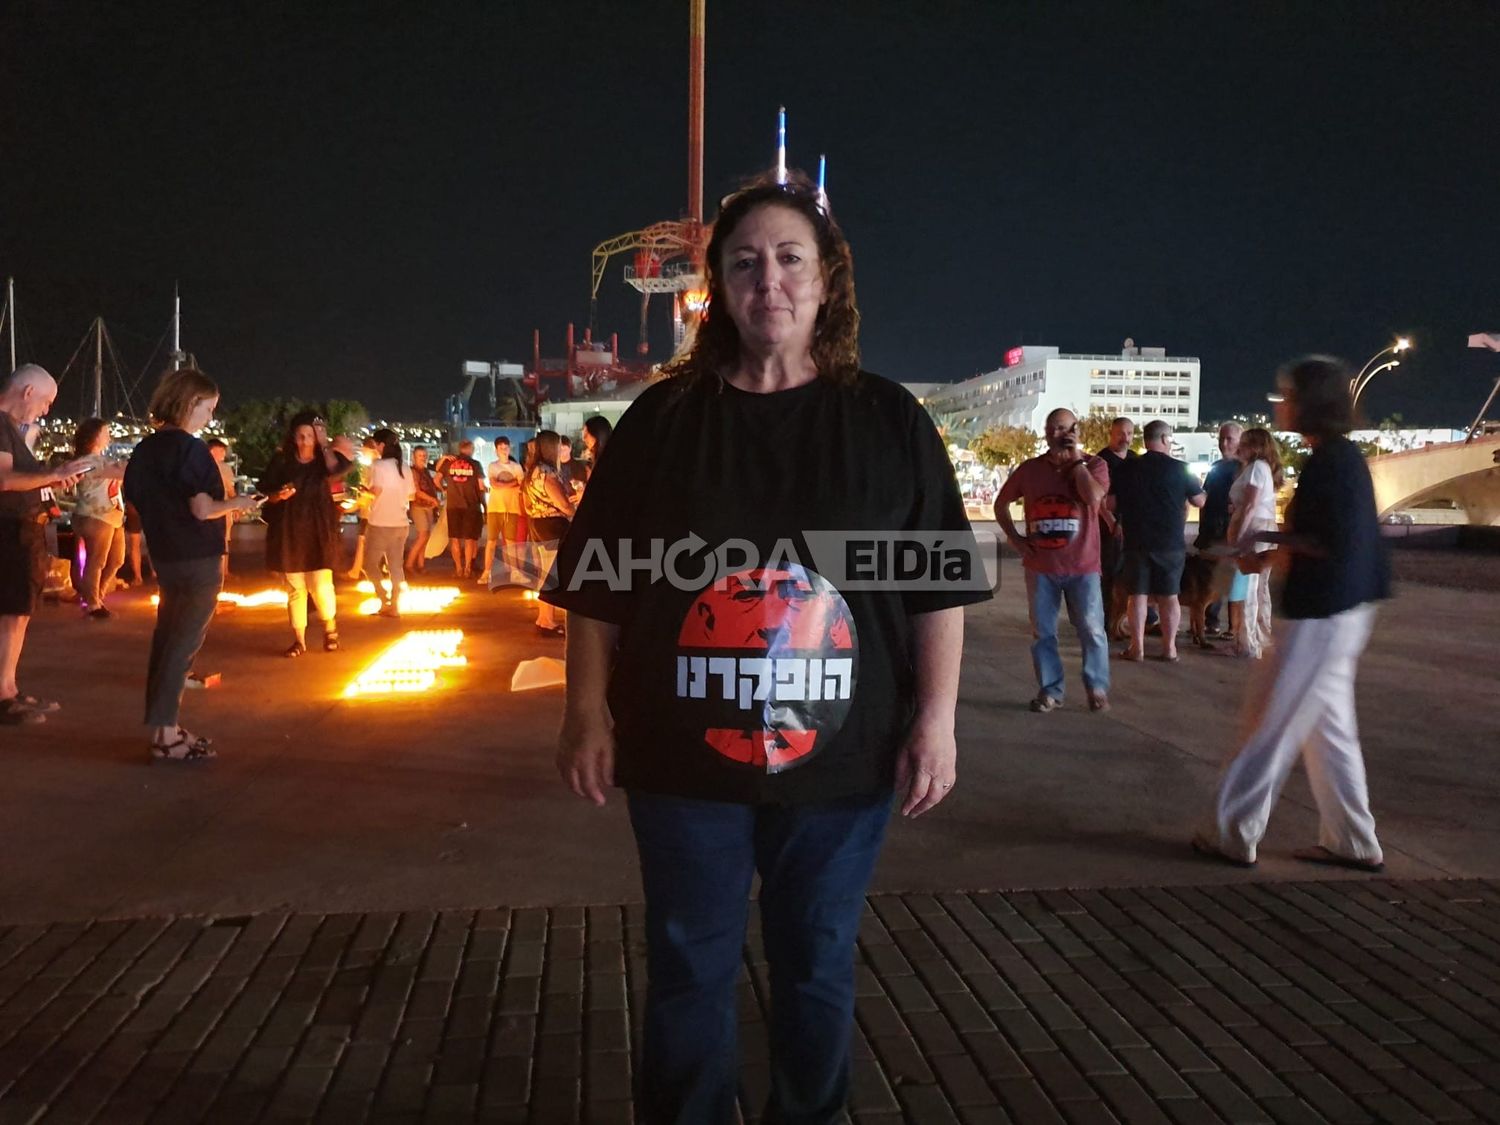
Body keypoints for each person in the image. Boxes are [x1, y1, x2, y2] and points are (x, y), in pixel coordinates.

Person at [543, 172, 989, 1124]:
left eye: (791, 260)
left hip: (842, 764)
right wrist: (585, 711)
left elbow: (936, 590)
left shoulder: (888, 423)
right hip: (679, 758)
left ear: (828, 283)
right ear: (718, 288)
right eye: (745, 263)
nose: (769, 282)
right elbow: (597, 585)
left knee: (818, 962)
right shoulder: (661, 423)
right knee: (687, 966)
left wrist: (939, 720)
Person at [1194, 356, 1390, 871]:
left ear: (1311, 403)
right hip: (1342, 610)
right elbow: (1330, 539)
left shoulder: (1332, 463)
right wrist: (1272, 547)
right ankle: (1352, 840)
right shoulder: (1337, 458)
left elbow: (1329, 541)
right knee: (1330, 731)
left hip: (1323, 613)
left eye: (1287, 396)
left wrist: (1268, 542)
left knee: (1269, 721)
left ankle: (1232, 833)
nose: (1280, 406)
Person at [123, 368, 261, 759]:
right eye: (208, 408)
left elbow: (135, 499)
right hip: (198, 558)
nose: (209, 417)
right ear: (190, 403)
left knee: (166, 640)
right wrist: (238, 503)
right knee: (182, 646)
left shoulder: (145, 449)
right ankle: (166, 737)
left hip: (164, 555)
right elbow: (202, 510)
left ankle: (163, 728)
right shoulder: (191, 449)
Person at [993, 408, 1111, 712]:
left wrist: (1076, 463)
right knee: (1043, 632)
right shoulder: (1031, 469)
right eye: (1054, 429)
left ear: (1077, 430)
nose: (1060, 435)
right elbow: (1002, 503)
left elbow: (1093, 498)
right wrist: (1016, 539)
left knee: (1092, 629)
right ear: (1046, 433)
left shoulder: (1096, 465)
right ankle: (1050, 690)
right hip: (1041, 567)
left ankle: (1097, 688)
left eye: (1066, 428)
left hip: (1083, 566)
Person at [0, 365, 90, 725]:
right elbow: (4, 480)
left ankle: (9, 687)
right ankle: (4, 696)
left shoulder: (11, 429)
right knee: (9, 615)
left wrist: (49, 481)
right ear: (26, 392)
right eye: (46, 401)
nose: (46, 410)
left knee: (17, 615)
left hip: (20, 530)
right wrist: (53, 474)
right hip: (8, 531)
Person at [259, 411, 354, 656]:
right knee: (295, 588)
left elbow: (337, 470)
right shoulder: (282, 462)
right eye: (300, 436)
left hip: (319, 531)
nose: (303, 441)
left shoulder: (323, 462)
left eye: (309, 436)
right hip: (289, 532)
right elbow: (265, 491)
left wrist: (324, 445)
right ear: (293, 437)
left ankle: (330, 630)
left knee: (321, 584)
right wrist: (278, 496)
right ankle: (299, 640)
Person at [1113, 419, 1206, 661]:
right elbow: (1199, 501)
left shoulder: (1126, 468)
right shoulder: (1181, 468)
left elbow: (1110, 502)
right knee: (1169, 596)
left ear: (1145, 439)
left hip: (1136, 541)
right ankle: (1169, 648)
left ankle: (1138, 648)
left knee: (1138, 596)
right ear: (1165, 439)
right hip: (1170, 543)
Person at [1225, 427, 1283, 659]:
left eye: (1246, 443)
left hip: (1255, 530)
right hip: (1261, 529)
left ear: (1256, 446)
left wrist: (1240, 536)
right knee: (1259, 588)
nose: (1241, 447)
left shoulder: (1257, 468)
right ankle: (1258, 638)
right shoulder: (1260, 468)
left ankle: (1248, 642)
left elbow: (1250, 504)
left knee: (1249, 587)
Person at [70, 418, 129, 618]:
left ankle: (95, 596)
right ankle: (93, 603)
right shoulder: (89, 461)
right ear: (95, 436)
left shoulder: (99, 459)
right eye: (105, 432)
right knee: (97, 561)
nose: (109, 435)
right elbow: (119, 472)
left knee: (116, 559)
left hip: (111, 516)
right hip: (96, 516)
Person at [521, 430, 574, 635]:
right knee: (553, 574)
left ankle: (544, 619)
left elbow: (526, 502)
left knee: (546, 573)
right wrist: (573, 510)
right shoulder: (547, 472)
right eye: (558, 445)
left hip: (537, 523)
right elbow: (562, 503)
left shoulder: (532, 471)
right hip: (552, 525)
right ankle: (547, 621)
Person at [1195, 423, 1244, 639]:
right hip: (1211, 531)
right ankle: (1207, 620)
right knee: (1207, 577)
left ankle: (1231, 626)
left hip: (1228, 532)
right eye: (1222, 438)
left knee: (1225, 578)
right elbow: (1205, 499)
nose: (1224, 443)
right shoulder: (1216, 468)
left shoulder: (1242, 469)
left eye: (1230, 439)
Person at [365, 428, 415, 619]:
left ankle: (383, 598)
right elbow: (411, 494)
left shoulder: (378, 466)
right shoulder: (405, 467)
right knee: (395, 566)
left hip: (380, 522)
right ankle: (394, 606)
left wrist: (365, 492)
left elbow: (375, 491)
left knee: (369, 565)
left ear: (382, 445)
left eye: (376, 444)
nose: (375, 448)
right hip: (401, 523)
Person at [1094, 416, 1134, 638]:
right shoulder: (1102, 461)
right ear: (1111, 433)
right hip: (1108, 529)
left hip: (1130, 528)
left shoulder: (1135, 461)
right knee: (1108, 575)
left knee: (1126, 576)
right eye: (1120, 433)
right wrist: (1109, 520)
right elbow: (1098, 497)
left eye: (1128, 433)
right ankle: (1104, 620)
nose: (1125, 438)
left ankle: (1123, 621)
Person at [437, 439, 485, 577]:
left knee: (455, 539)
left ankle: (458, 568)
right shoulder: (475, 464)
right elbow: (481, 486)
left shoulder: (449, 463)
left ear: (459, 449)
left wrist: (444, 489)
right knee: (469, 539)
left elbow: (436, 479)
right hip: (471, 506)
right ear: (471, 449)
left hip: (453, 506)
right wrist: (484, 505)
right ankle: (468, 569)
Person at [480, 436, 524, 586]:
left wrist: (503, 484)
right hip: (495, 508)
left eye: (506, 447)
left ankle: (515, 572)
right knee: (491, 541)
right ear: (496, 450)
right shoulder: (493, 466)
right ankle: (487, 571)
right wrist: (512, 484)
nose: (504, 450)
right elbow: (494, 484)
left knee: (511, 543)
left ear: (509, 448)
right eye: (501, 448)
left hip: (512, 508)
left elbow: (521, 485)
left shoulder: (517, 467)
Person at [342, 436, 381, 580]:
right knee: (363, 541)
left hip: (372, 512)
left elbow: (374, 491)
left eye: (365, 451)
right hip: (367, 511)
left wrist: (364, 495)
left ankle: (360, 570)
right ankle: (357, 570)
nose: (363, 454)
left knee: (366, 542)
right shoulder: (368, 468)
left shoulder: (376, 468)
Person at [405, 445, 441, 574]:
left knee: (425, 536)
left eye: (424, 455)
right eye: (420, 456)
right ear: (414, 457)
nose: (423, 458)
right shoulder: (413, 471)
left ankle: (420, 565)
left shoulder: (425, 471)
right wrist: (433, 500)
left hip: (428, 507)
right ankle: (409, 564)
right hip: (418, 506)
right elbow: (417, 491)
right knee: (423, 535)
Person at [205, 437, 237, 580]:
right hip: (220, 508)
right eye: (221, 449)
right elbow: (231, 490)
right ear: (213, 451)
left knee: (218, 540)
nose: (224, 452)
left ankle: (219, 571)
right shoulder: (222, 468)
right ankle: (222, 572)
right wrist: (236, 505)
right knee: (223, 540)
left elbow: (230, 490)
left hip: (213, 509)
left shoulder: (200, 466)